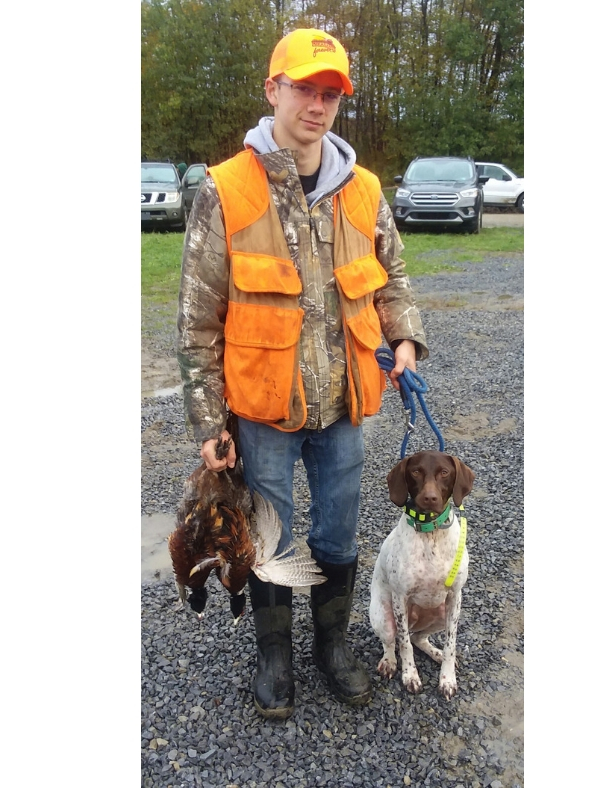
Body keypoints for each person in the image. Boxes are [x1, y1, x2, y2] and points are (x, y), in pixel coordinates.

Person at [176, 28, 428, 719]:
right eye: (304, 89)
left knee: (338, 537)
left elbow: (394, 280)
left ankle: (332, 647)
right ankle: (275, 658)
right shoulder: (226, 188)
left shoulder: (366, 190)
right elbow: (198, 319)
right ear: (273, 90)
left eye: (330, 93)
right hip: (262, 415)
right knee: (266, 539)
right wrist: (208, 422)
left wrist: (404, 339)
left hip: (345, 406)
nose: (317, 105)